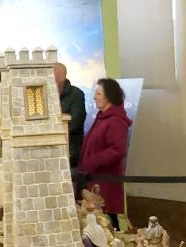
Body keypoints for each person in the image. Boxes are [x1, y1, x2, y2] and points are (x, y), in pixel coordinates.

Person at [77, 78, 131, 228]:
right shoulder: (103, 118)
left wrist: (92, 162)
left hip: (105, 184)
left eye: (98, 93)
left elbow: (118, 150)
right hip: (95, 180)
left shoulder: (115, 121)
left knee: (108, 223)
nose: (95, 97)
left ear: (109, 96)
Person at [54, 62, 87, 192]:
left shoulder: (76, 94)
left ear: (60, 77)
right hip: (54, 152)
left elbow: (75, 122)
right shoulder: (44, 95)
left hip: (71, 153)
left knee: (68, 191)